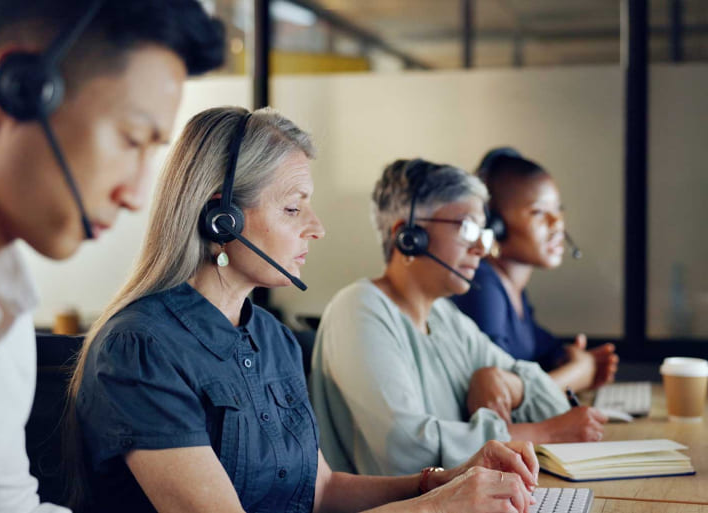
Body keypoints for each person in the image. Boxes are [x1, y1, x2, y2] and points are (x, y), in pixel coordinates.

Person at [68, 107, 542, 513]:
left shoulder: (271, 338)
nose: (316, 228)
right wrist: (437, 508)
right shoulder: (141, 349)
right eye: (293, 209)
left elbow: (321, 490)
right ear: (222, 218)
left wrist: (443, 482)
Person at [0, 1, 223, 512]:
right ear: (21, 85)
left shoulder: (2, 302)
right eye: (131, 140)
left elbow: (2, 503)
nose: (137, 196)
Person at [310, 159, 608, 477]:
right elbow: (406, 452)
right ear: (408, 235)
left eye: (484, 232)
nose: (481, 247)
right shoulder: (359, 309)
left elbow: (554, 406)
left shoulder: (444, 317)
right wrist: (543, 434)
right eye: (467, 228)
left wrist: (511, 382)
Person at [452, 148, 618, 393]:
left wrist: (568, 359)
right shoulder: (482, 287)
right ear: (493, 224)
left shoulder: (513, 290)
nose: (557, 223)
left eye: (558, 210)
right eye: (539, 212)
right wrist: (578, 373)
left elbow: (544, 349)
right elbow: (499, 394)